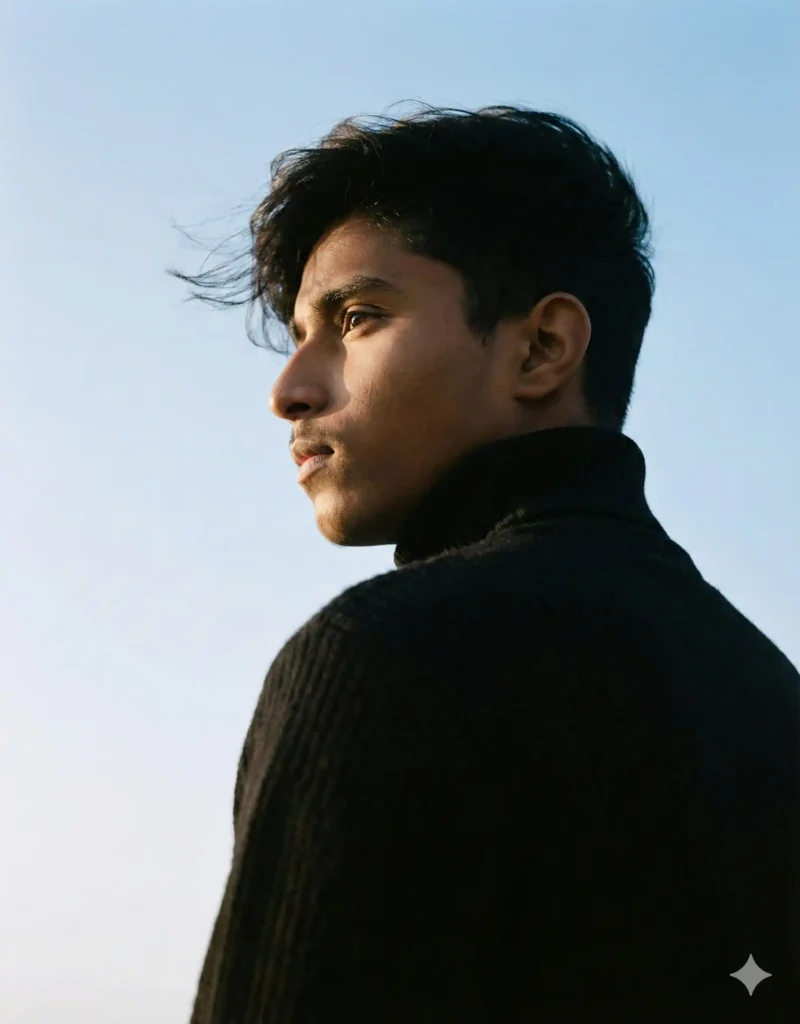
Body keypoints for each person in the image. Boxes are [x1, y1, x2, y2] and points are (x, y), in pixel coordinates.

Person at [170, 105, 800, 1023]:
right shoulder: (765, 687)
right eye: (299, 334)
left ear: (542, 346)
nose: (290, 389)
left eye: (358, 317)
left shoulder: (389, 656)